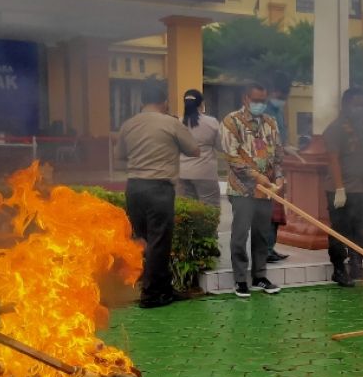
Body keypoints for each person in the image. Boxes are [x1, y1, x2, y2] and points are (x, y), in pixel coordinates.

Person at [114, 78, 199, 309]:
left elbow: (120, 155)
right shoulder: (170, 123)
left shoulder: (128, 124)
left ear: (142, 101)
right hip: (159, 188)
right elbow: (194, 150)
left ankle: (160, 288)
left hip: (134, 188)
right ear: (164, 102)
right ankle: (152, 295)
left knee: (142, 240)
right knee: (159, 242)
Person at [220, 83, 284, 298]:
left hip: (266, 191)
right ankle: (240, 279)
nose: (260, 105)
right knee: (240, 234)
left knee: (262, 234)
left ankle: (259, 276)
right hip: (242, 190)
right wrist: (257, 176)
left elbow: (278, 155)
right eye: (256, 100)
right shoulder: (231, 122)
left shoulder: (270, 122)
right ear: (245, 99)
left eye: (263, 101)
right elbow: (232, 157)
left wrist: (280, 176)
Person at [323, 88, 363, 287]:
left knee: (360, 228)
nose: (360, 109)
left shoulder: (361, 128)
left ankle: (356, 265)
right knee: (339, 230)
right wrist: (339, 189)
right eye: (356, 104)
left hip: (360, 188)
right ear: (346, 105)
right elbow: (333, 159)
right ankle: (338, 269)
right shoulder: (335, 129)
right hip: (341, 189)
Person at [263, 71, 294, 263]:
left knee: (276, 212)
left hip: (277, 167)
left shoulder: (278, 112)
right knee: (268, 211)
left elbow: (281, 138)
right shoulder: (264, 113)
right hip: (266, 169)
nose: (282, 100)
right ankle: (265, 249)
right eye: (280, 97)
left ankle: (270, 247)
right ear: (272, 92)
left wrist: (287, 147)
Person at [178, 89, 221, 208]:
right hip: (205, 173)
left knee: (187, 211)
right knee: (210, 209)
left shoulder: (177, 122)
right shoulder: (211, 122)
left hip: (182, 172)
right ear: (201, 103)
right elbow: (221, 146)